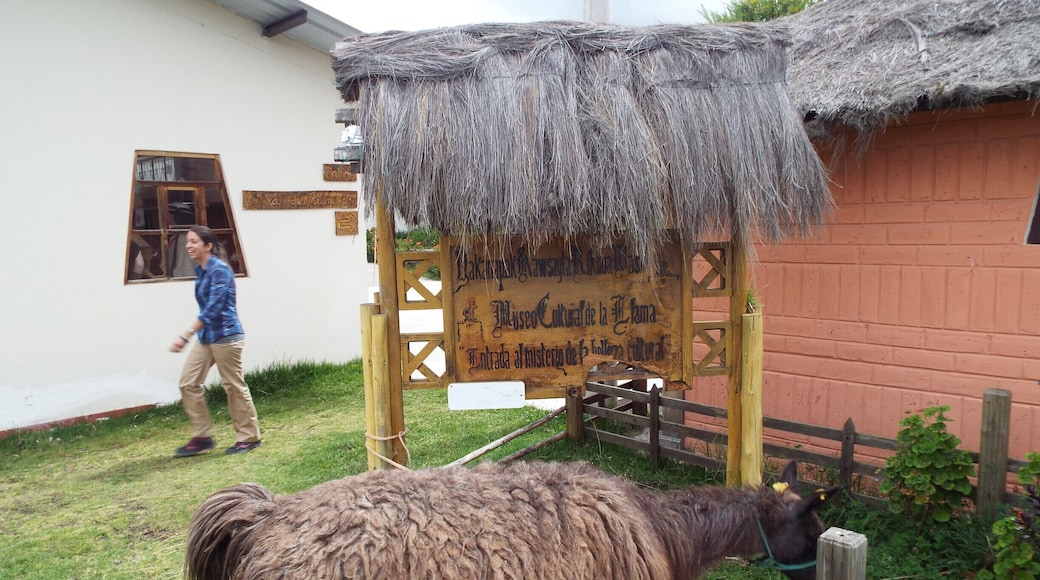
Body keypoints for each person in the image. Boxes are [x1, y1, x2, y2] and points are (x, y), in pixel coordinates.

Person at [170, 225, 262, 456]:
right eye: (187, 242)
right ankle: (202, 437)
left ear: (208, 246)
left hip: (227, 336)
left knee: (233, 385)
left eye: (193, 242)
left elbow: (213, 308)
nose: (188, 246)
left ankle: (249, 437)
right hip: (207, 338)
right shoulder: (201, 271)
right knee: (188, 382)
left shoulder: (220, 270)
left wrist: (185, 335)